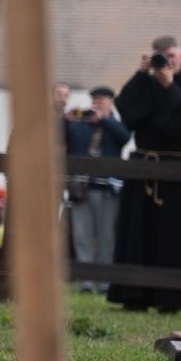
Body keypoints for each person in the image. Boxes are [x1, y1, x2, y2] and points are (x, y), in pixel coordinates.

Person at [112, 34, 181, 312]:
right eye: (162, 57)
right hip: (143, 166)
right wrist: (141, 76)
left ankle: (170, 298)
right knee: (136, 234)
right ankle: (134, 295)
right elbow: (128, 115)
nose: (167, 62)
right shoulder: (146, 81)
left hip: (174, 169)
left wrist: (170, 86)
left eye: (172, 57)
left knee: (171, 237)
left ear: (180, 56)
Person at [62, 84, 128, 269]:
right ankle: (86, 281)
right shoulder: (81, 124)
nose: (96, 104)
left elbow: (124, 138)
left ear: (111, 103)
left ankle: (105, 279)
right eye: (94, 100)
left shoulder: (115, 124)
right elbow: (63, 137)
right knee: (82, 234)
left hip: (107, 189)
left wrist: (104, 120)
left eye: (101, 100)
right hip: (81, 188)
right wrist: (66, 120)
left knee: (106, 235)